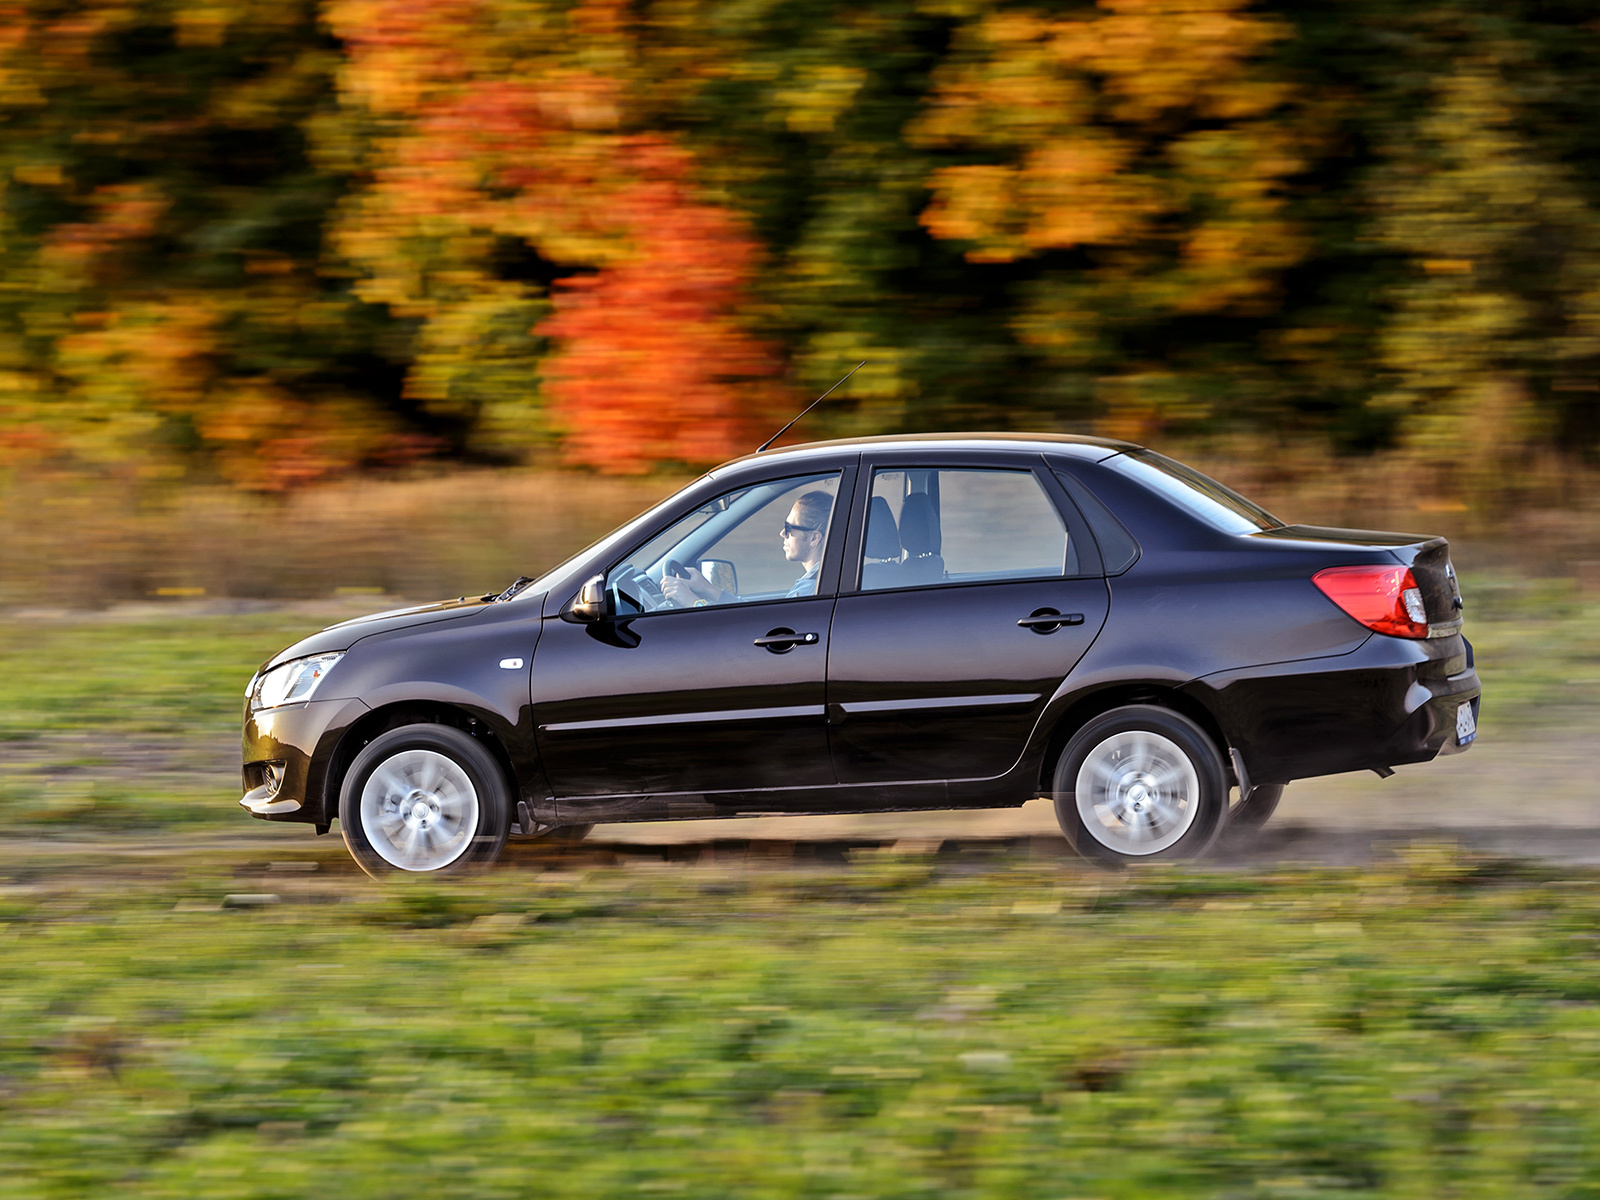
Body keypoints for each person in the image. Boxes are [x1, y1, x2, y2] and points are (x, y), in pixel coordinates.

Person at [662, 490, 832, 606]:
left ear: (814, 538)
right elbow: (763, 618)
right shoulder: (821, 581)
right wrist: (708, 589)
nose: (782, 533)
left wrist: (691, 601)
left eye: (789, 528)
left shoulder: (810, 591)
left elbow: (767, 630)